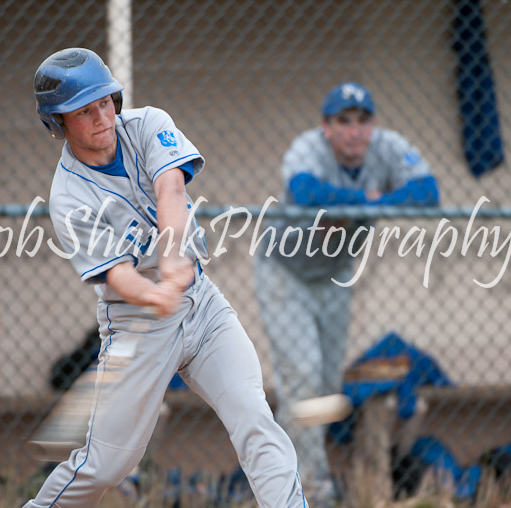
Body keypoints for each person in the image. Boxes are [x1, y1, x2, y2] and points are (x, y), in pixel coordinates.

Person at [23, 47, 306, 508]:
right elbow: (118, 279)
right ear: (57, 124)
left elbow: (170, 186)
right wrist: (155, 294)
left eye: (104, 103)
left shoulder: (148, 123)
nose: (101, 118)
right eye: (83, 111)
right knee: (106, 465)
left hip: (203, 304)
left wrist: (175, 261)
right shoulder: (69, 197)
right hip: (138, 325)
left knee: (254, 416)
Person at [253, 81, 440, 499]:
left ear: (372, 126)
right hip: (284, 270)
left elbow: (428, 192)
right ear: (326, 127)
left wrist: (363, 205)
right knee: (300, 377)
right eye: (343, 121)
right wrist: (367, 200)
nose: (354, 131)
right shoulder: (309, 147)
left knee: (323, 385)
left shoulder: (386, 146)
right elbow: (303, 191)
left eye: (362, 121)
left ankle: (294, 482)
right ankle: (306, 489)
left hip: (334, 275)